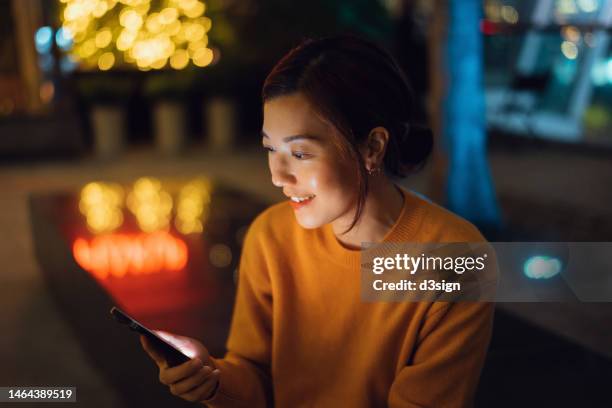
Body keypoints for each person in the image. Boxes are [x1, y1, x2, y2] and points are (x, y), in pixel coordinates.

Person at [141, 35, 494, 407]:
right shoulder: (271, 236)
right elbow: (255, 375)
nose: (278, 175)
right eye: (270, 149)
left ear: (372, 147)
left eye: (300, 152)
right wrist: (211, 377)